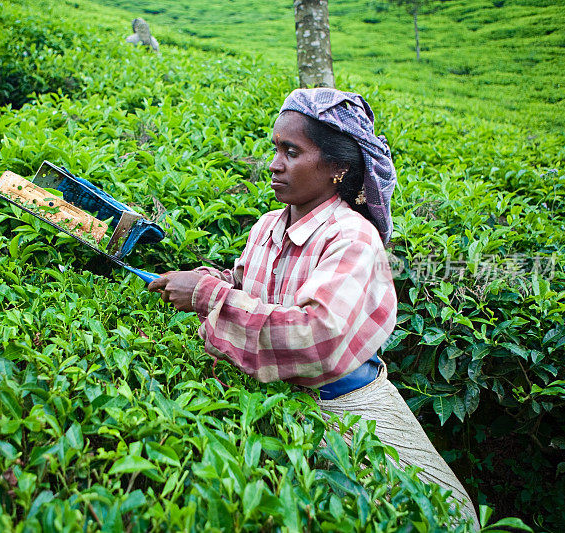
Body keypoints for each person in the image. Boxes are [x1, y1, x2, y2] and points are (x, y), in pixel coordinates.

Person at [148, 88, 480, 527]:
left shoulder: (352, 239)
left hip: (344, 406)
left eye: (292, 152)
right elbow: (247, 285)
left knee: (447, 519)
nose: (274, 164)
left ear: (338, 169)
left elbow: (315, 335)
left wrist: (208, 296)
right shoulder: (268, 225)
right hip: (274, 398)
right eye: (275, 149)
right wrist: (204, 280)